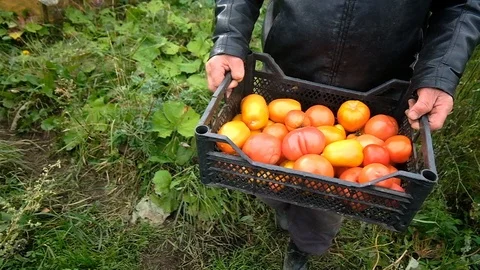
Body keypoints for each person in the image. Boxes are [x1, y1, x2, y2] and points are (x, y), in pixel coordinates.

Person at [205, 1, 480, 269]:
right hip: (285, 73)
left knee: (328, 199)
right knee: (265, 176)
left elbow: (462, 5)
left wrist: (440, 73)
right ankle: (285, 211)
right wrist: (229, 39)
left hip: (375, 89)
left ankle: (305, 245)